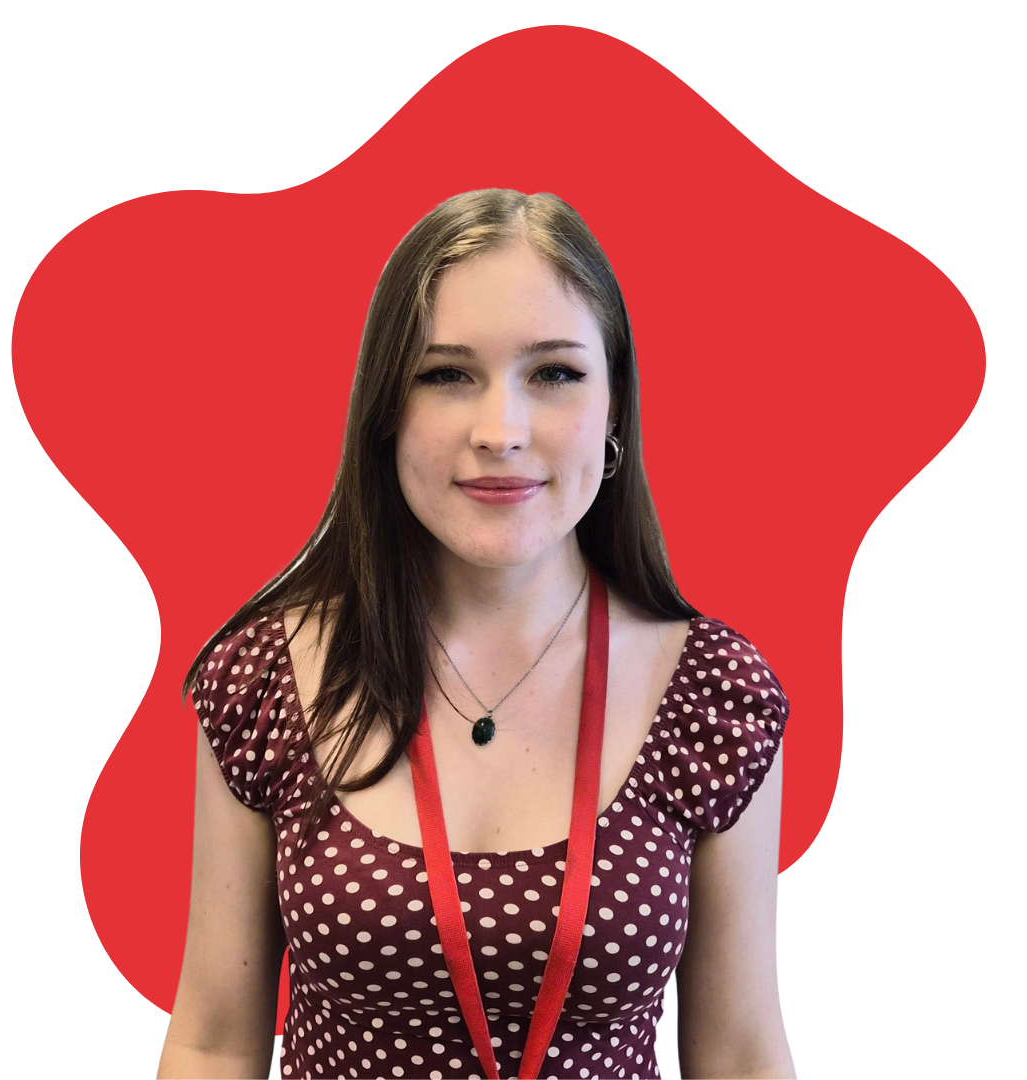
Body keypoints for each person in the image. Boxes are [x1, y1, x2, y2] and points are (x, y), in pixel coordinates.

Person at [157, 189, 795, 1080]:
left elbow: (738, 1050)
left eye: (556, 374)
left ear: (616, 412)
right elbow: (214, 1040)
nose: (501, 432)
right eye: (447, 374)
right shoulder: (263, 678)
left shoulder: (713, 695)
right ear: (386, 412)